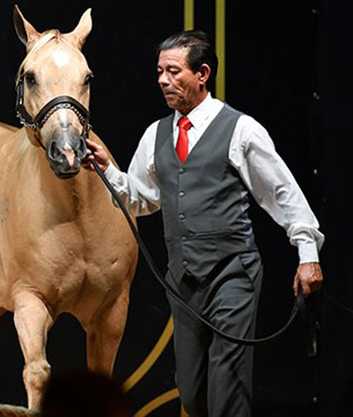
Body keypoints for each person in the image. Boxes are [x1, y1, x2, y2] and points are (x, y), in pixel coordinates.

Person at [82, 30, 324, 417]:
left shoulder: (240, 129)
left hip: (233, 273)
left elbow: (281, 192)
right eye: (160, 71)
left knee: (227, 386)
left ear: (202, 74)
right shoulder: (156, 134)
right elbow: (142, 200)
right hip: (184, 279)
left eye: (174, 71)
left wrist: (307, 253)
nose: (163, 80)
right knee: (192, 392)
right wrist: (108, 169)